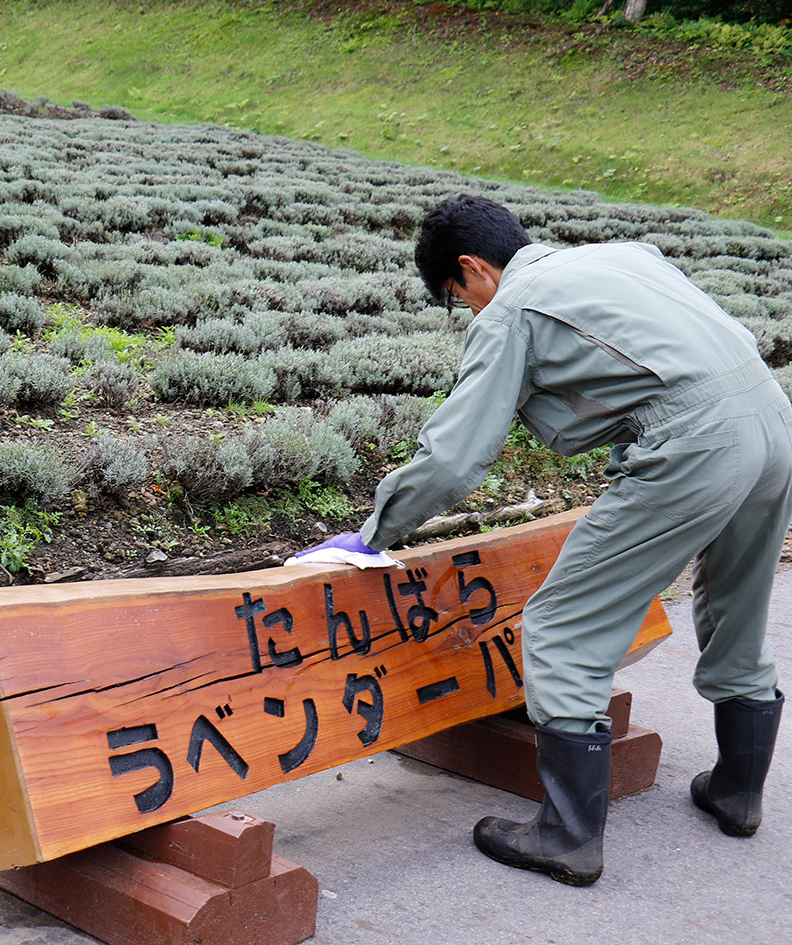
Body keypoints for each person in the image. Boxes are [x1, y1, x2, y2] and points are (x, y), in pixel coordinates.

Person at [297, 194, 791, 886]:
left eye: (456, 296)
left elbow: (454, 456)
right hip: (773, 421)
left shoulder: (511, 311)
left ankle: (565, 838)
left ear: (472, 268)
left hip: (697, 447)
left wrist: (373, 534)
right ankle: (738, 794)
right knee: (736, 605)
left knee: (561, 626)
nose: (468, 311)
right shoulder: (624, 256)